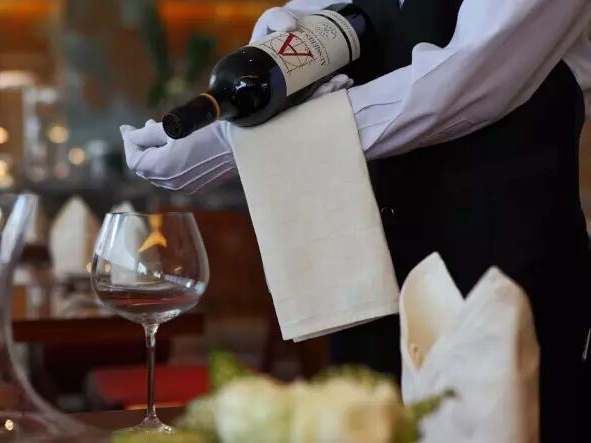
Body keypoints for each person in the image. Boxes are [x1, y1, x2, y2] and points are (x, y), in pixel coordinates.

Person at [121, 0, 591, 440]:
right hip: (367, 272)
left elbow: (470, 78)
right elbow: (308, 28)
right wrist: (217, 128)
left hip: (497, 274)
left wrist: (244, 147)